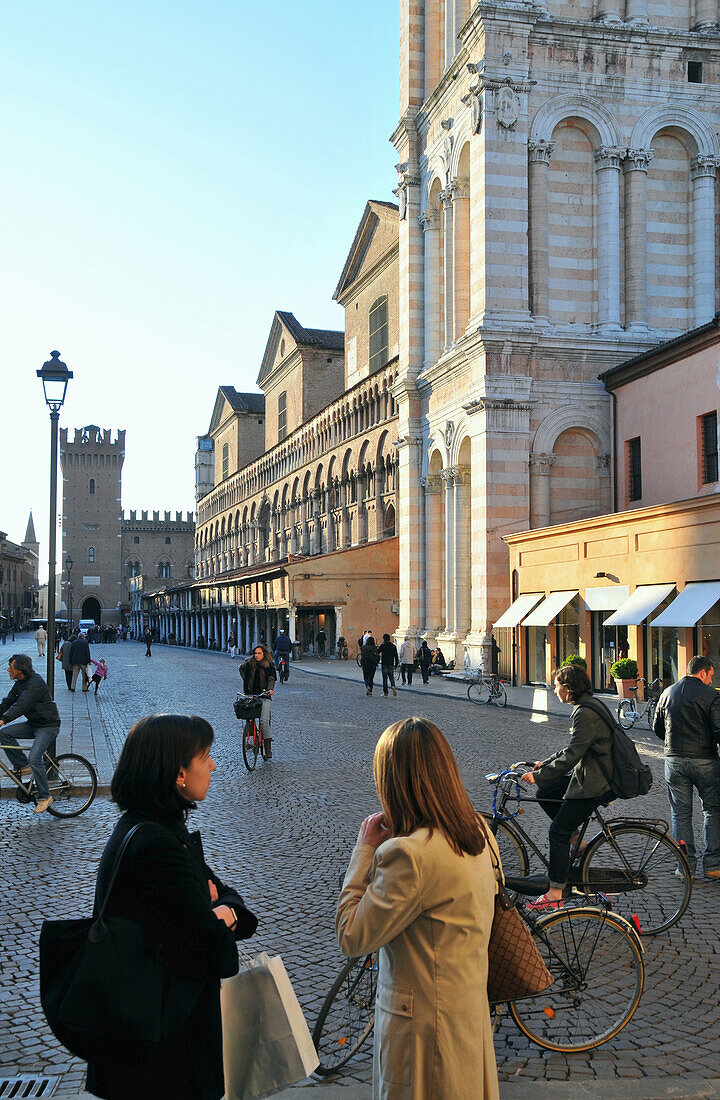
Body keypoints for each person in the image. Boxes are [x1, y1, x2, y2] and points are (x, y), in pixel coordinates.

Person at [85, 714, 258, 1100]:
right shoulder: (157, 844)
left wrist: (223, 909)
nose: (213, 765)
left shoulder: (155, 828)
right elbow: (214, 950)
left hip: (156, 1037)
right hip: (162, 1053)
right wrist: (221, 913)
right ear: (179, 773)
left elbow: (233, 905)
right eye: (206, 756)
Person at [336, 717, 501, 1100]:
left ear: (392, 781)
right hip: (466, 1016)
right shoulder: (478, 831)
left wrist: (364, 850)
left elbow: (351, 934)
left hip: (423, 1033)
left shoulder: (409, 855)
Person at [521, 663, 613, 910]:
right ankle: (578, 843)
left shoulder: (585, 712)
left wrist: (538, 775)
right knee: (546, 794)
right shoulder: (586, 706)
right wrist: (546, 765)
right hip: (590, 772)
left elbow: (573, 754)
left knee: (557, 832)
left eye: (557, 685)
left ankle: (555, 893)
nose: (554, 689)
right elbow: (574, 748)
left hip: (596, 781)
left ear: (568, 688)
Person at [653, 655, 720, 880]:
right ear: (703, 672)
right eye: (711, 675)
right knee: (712, 809)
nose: (711, 680)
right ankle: (712, 865)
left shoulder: (668, 692)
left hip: (674, 760)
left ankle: (685, 866)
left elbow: (658, 728)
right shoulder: (711, 695)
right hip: (705, 760)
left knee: (680, 813)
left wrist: (672, 744)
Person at [0, 654, 60, 813]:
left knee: (35, 757)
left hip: (48, 726)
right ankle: (22, 765)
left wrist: (3, 719)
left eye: (11, 667)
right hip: (33, 724)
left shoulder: (36, 683)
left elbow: (21, 705)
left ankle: (45, 796)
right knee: (4, 734)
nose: (8, 669)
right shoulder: (20, 683)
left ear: (20, 670)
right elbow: (8, 702)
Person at [239, 644, 276, 757]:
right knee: (248, 715)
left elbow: (271, 678)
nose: (257, 655)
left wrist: (270, 689)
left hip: (264, 696)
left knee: (264, 721)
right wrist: (246, 681)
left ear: (264, 654)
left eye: (259, 653)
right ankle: (253, 738)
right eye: (255, 653)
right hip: (251, 695)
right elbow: (241, 669)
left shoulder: (268, 665)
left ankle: (267, 747)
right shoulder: (249, 663)